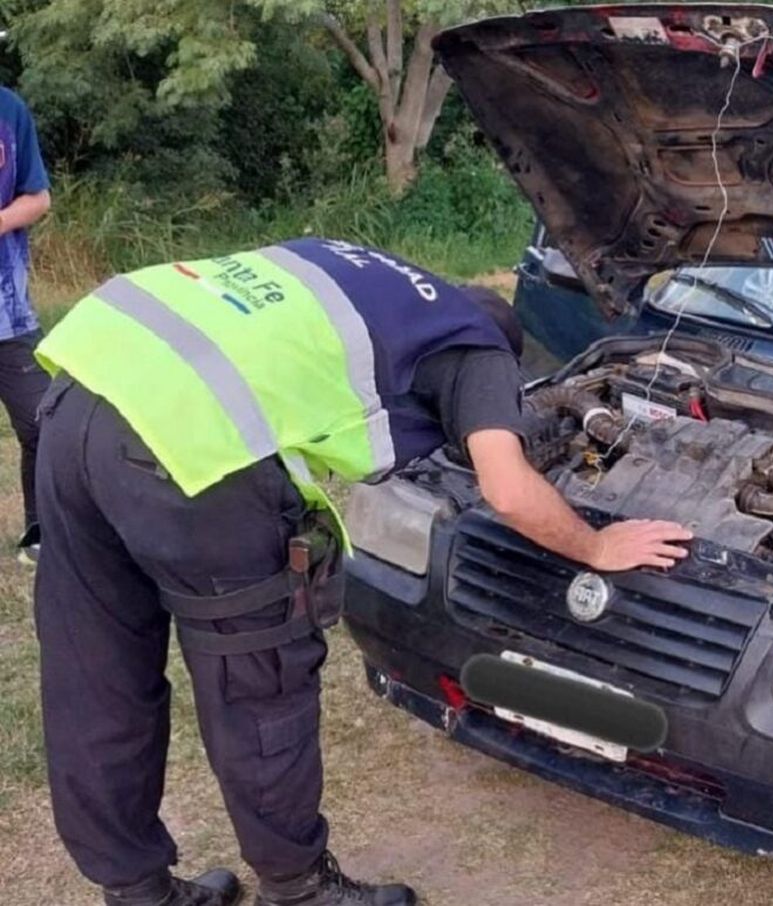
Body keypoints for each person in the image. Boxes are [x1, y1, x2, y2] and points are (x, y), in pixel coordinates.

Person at [32, 238, 693, 906]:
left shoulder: (376, 277)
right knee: (258, 678)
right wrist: (597, 548)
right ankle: (299, 889)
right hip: (190, 443)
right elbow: (509, 489)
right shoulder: (480, 348)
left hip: (86, 379)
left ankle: (136, 890)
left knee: (95, 667)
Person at [0, 85, 52, 564]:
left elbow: (37, 199)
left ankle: (42, 530)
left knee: (44, 420)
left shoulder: (10, 109)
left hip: (7, 310)